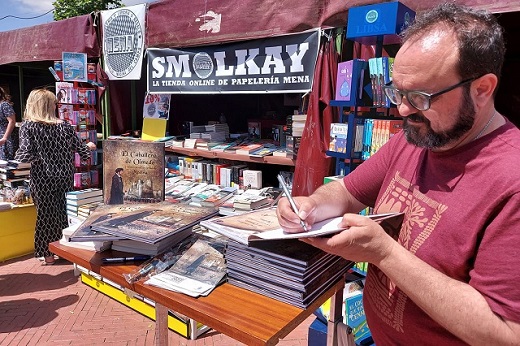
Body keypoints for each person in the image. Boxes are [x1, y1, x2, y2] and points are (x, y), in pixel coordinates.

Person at [276, 4, 520, 345]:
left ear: (481, 89)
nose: (403, 109)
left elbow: (506, 334)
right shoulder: (418, 139)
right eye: (398, 92)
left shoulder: (511, 180)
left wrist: (384, 253)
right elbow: (346, 191)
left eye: (419, 97)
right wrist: (311, 206)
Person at [14, 89, 96, 265]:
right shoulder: (64, 126)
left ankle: (48, 255)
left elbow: (24, 155)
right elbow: (83, 152)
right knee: (64, 213)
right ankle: (64, 250)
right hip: (65, 176)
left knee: (45, 215)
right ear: (50, 106)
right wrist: (89, 146)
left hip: (42, 178)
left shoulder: (28, 126)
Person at [0, 86, 16, 160]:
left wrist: (5, 138)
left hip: (2, 137)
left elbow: (12, 121)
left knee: (4, 164)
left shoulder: (4, 105)